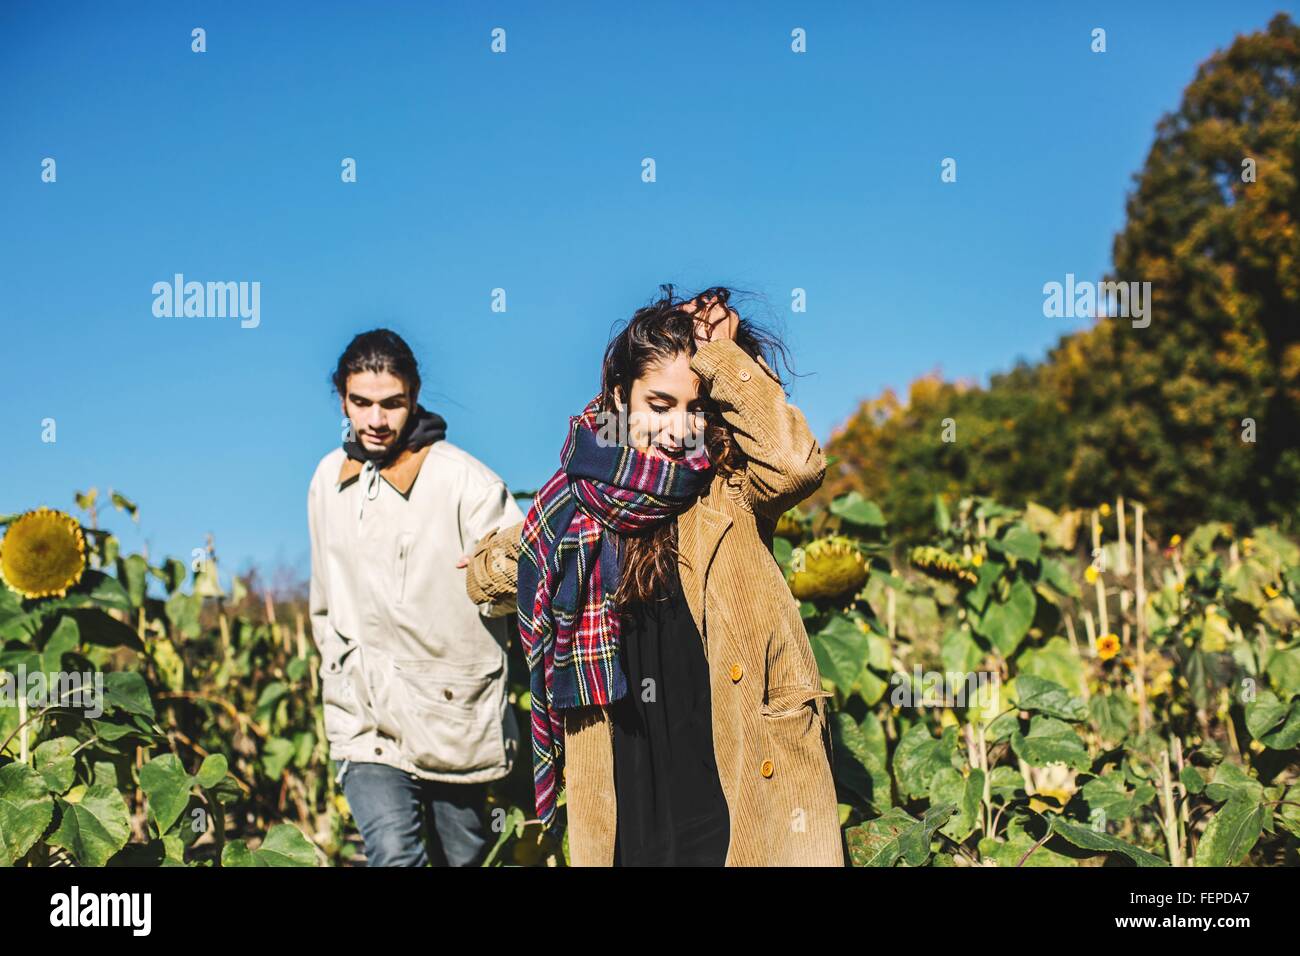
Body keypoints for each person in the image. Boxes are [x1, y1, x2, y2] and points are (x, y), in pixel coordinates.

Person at [463, 287, 844, 866]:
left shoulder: (729, 486)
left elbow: (797, 465)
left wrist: (721, 357)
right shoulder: (578, 502)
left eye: (695, 409)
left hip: (732, 764)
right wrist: (503, 562)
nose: (677, 429)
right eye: (659, 405)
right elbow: (498, 569)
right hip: (625, 775)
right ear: (621, 396)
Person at [307, 328, 525, 866]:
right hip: (364, 721)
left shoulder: (463, 480)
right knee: (393, 853)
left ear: (414, 395)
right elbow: (322, 601)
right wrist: (338, 672)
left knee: (464, 859)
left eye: (391, 404)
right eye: (361, 403)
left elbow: (522, 570)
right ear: (343, 400)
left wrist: (497, 572)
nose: (376, 420)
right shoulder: (326, 482)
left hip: (453, 718)